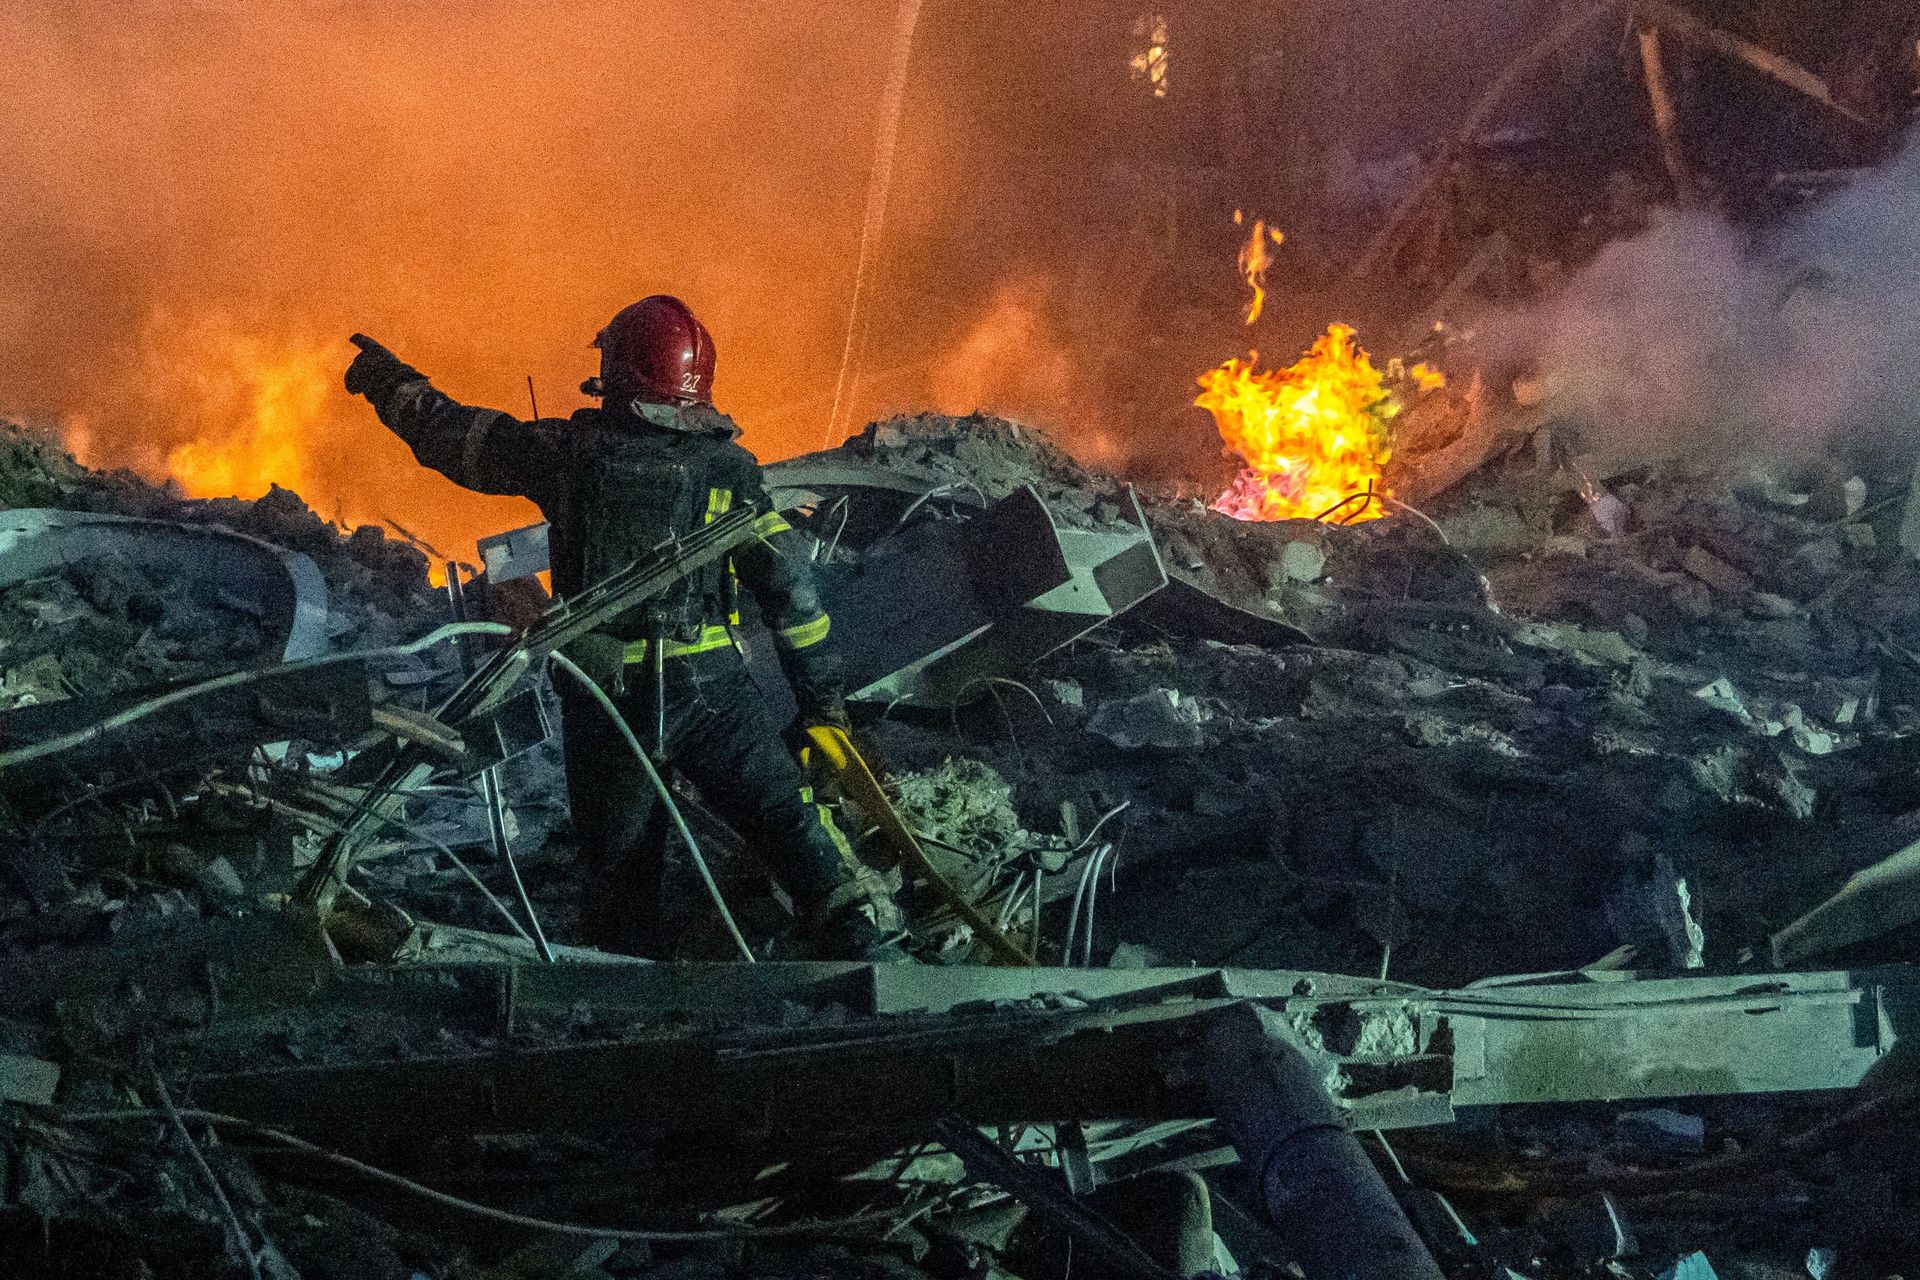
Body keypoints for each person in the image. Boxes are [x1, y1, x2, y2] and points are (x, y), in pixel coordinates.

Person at [342, 295, 900, 961]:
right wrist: (822, 707)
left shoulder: (568, 455)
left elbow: (456, 438)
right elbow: (793, 596)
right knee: (789, 820)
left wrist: (391, 384)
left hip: (609, 705)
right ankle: (870, 950)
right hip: (712, 693)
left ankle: (629, 990)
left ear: (620, 371)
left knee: (619, 881)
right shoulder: (729, 471)